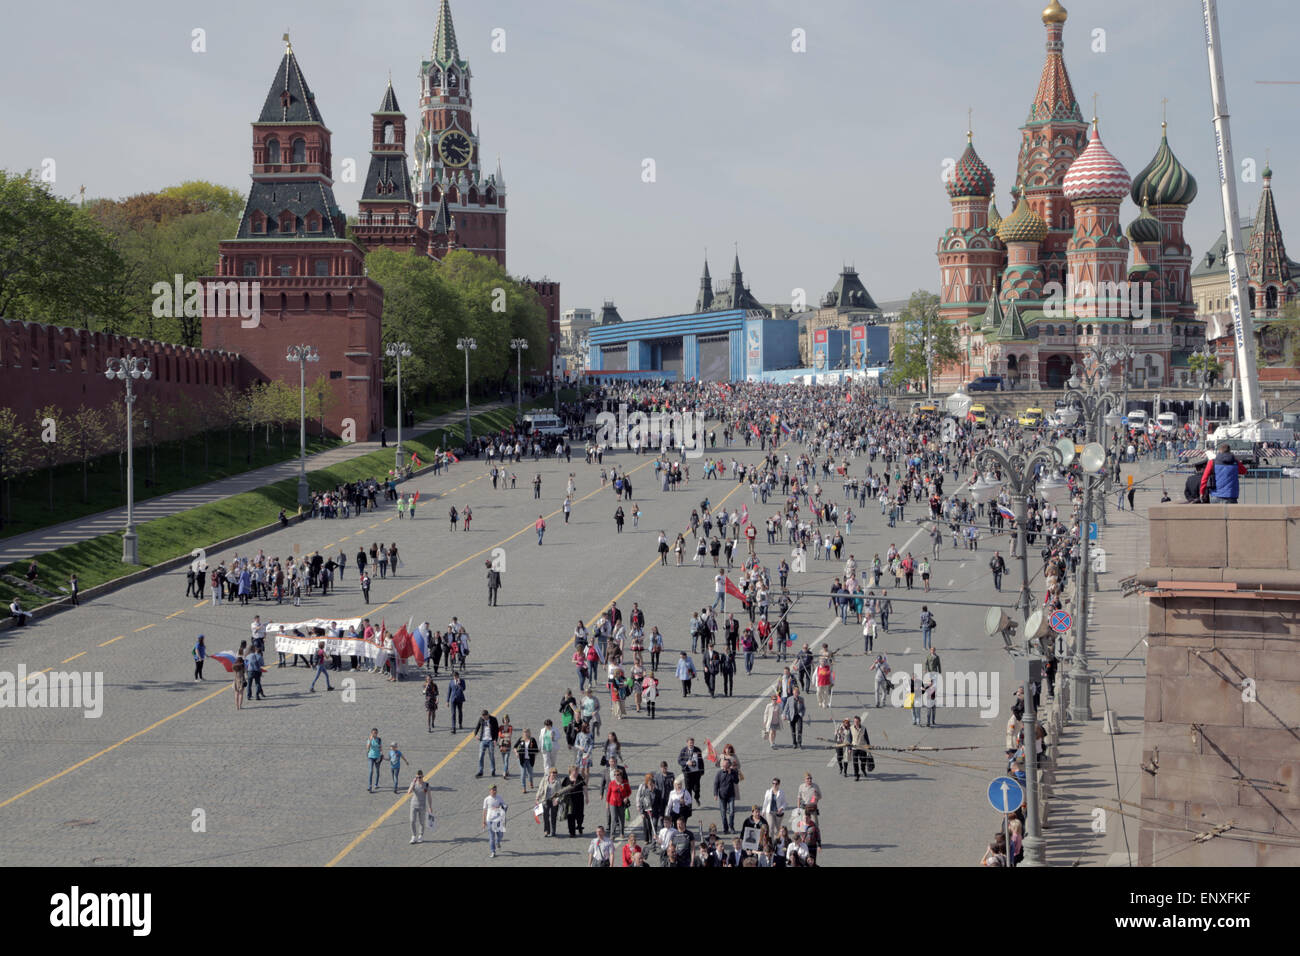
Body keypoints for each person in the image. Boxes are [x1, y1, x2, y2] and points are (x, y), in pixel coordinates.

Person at [556, 765, 588, 837]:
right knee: (570, 815)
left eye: (577, 771)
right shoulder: (566, 779)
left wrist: (587, 798)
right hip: (569, 801)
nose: (576, 772)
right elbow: (562, 790)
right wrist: (558, 798)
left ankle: (579, 825)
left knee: (580, 815)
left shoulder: (580, 778)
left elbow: (585, 788)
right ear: (571, 771)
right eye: (575, 771)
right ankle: (572, 832)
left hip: (579, 800)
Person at [713, 756, 740, 834]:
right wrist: (715, 794)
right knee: (723, 813)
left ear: (729, 765)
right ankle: (725, 828)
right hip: (722, 796)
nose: (724, 766)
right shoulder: (719, 773)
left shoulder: (733, 772)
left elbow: (736, 781)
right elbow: (716, 784)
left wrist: (730, 773)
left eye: (726, 765)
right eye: (723, 765)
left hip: (731, 795)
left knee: (731, 812)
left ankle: (731, 827)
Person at [481, 784, 508, 858]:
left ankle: (498, 842)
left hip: (499, 820)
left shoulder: (499, 798)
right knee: (491, 837)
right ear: (490, 791)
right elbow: (484, 811)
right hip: (490, 820)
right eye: (493, 790)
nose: (495, 791)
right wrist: (483, 822)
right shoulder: (486, 799)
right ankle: (493, 851)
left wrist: (501, 807)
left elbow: (504, 805)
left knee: (500, 835)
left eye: (495, 790)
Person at [407, 770, 432, 844]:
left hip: (422, 805)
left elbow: (429, 796)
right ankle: (413, 836)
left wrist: (430, 807)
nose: (418, 778)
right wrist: (413, 783)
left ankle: (420, 835)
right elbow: (409, 792)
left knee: (421, 822)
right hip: (413, 805)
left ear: (423, 777)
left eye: (420, 777)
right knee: (412, 820)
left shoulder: (426, 785)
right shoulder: (413, 784)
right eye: (417, 777)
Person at [474, 709, 501, 777]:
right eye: (483, 717)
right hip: (483, 740)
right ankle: (480, 771)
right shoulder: (481, 719)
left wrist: (495, 740)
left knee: (491, 756)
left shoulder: (493, 719)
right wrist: (475, 735)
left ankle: (493, 770)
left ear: (487, 715)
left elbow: (497, 730)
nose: (484, 718)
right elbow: (477, 727)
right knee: (480, 756)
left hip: (491, 740)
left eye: (485, 717)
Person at [536, 766, 561, 837]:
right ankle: (546, 831)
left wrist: (557, 800)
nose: (553, 774)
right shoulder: (545, 779)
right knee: (545, 816)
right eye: (552, 772)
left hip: (554, 801)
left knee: (553, 816)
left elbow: (559, 793)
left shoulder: (558, 781)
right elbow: (540, 789)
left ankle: (553, 831)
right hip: (545, 800)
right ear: (549, 773)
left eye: (555, 773)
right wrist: (537, 798)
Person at [515, 728, 539, 793]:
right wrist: (516, 753)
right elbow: (515, 747)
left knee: (530, 773)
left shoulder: (532, 740)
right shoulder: (521, 739)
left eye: (527, 732)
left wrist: (534, 756)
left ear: (529, 732)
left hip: (530, 760)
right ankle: (524, 787)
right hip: (522, 759)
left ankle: (531, 781)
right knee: (523, 774)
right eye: (524, 732)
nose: (525, 733)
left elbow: (536, 750)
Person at [366, 728, 383, 792]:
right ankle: (370, 786)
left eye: (375, 733)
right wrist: (370, 740)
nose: (374, 734)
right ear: (371, 733)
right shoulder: (369, 739)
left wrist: (381, 754)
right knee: (371, 771)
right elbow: (367, 748)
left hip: (377, 757)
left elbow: (380, 747)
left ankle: (376, 784)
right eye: (373, 733)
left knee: (377, 770)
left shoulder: (379, 739)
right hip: (370, 756)